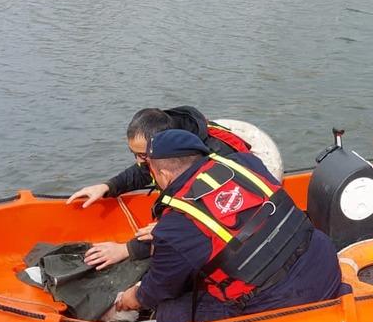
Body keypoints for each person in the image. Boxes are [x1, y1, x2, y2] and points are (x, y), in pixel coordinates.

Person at [112, 129, 345, 322]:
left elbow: (158, 289)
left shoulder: (176, 225)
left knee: (171, 312)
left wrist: (134, 297)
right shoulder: (245, 162)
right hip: (325, 262)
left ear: (162, 173)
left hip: (287, 300)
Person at [67, 106, 255, 270]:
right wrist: (108, 186)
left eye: (142, 155)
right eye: (134, 153)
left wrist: (129, 248)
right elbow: (144, 171)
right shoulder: (167, 135)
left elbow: (200, 227)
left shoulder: (213, 163)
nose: (139, 161)